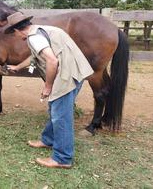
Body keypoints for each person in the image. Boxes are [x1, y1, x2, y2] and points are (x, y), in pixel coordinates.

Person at [5, 12, 94, 169]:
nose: (16, 36)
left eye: (14, 34)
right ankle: (48, 140)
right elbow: (35, 57)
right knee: (56, 109)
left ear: (17, 30)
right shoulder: (41, 30)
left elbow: (52, 60)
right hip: (76, 71)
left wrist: (48, 86)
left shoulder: (34, 37)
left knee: (61, 116)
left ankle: (62, 158)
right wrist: (17, 67)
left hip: (66, 75)